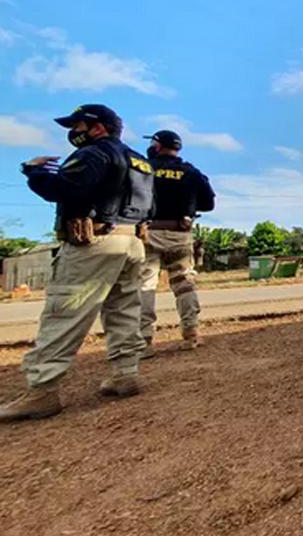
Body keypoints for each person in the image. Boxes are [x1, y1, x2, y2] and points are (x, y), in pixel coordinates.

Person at [0, 105, 154, 421]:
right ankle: (125, 373)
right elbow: (152, 206)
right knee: (123, 309)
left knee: (65, 312)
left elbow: (64, 189)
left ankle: (42, 390)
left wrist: (34, 171)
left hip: (94, 244)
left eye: (78, 125)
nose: (73, 132)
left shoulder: (94, 153)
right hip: (131, 242)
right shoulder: (141, 161)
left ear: (98, 128)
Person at [139, 130, 215, 356]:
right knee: (184, 284)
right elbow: (208, 203)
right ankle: (191, 334)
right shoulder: (190, 172)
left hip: (149, 232)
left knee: (145, 285)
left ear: (157, 146)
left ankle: (143, 341)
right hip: (180, 232)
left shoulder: (144, 168)